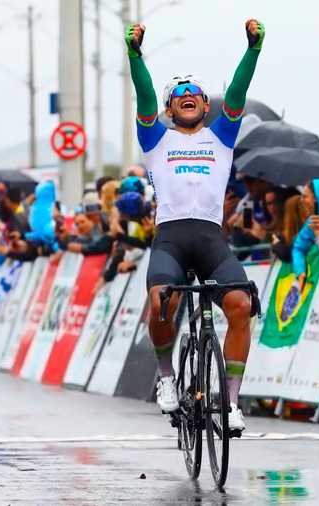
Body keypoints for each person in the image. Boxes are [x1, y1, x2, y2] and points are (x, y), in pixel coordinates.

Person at [126, 18, 265, 432]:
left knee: (241, 306)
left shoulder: (221, 137)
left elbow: (238, 91)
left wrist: (253, 49)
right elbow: (145, 94)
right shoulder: (155, 140)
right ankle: (167, 376)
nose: (187, 96)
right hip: (170, 237)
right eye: (179, 95)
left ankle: (233, 402)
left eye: (195, 94)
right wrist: (135, 56)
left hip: (209, 238)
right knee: (161, 302)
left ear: (207, 107)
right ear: (169, 110)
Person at [290, 179, 319, 288]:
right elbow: (298, 247)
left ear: (317, 198)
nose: (302, 200)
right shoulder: (312, 222)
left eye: (305, 196)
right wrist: (300, 270)